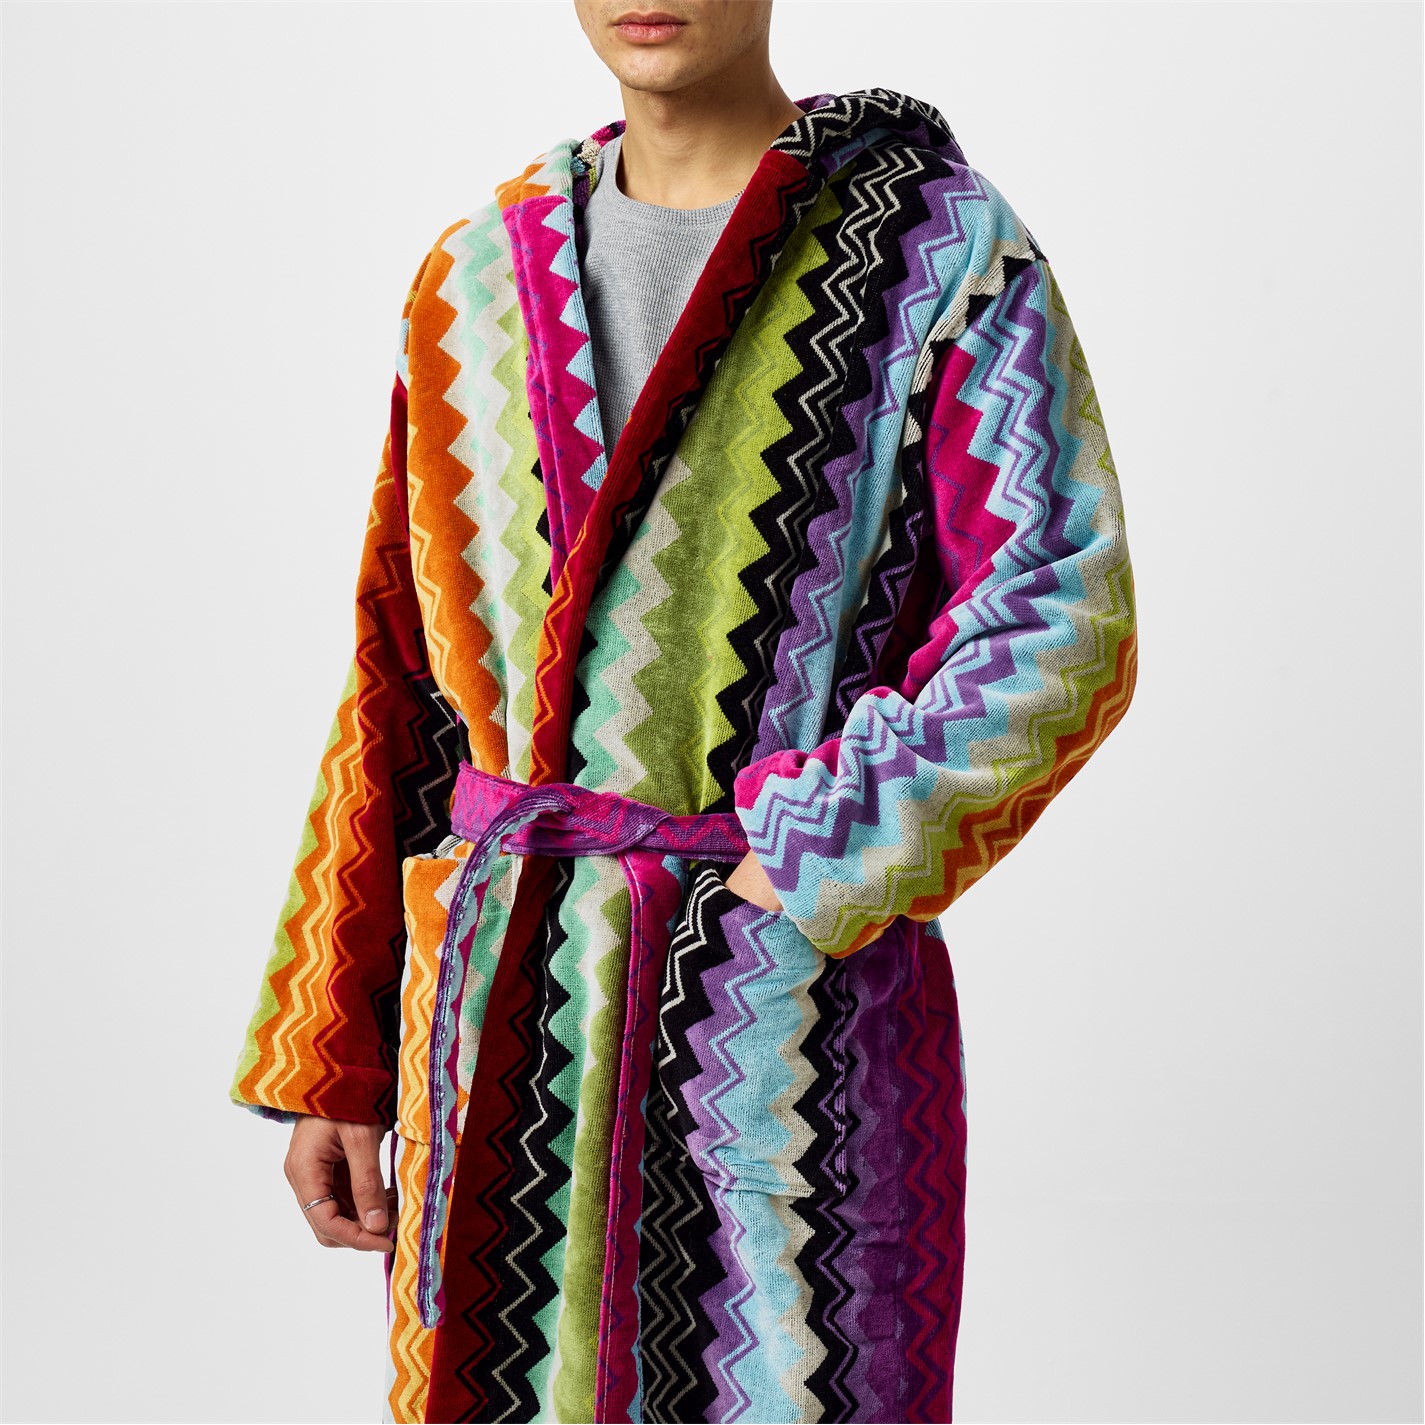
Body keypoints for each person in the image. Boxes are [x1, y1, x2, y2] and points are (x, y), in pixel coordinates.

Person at [231, 2, 1139, 1420]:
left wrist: (820, 843)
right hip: (505, 1015)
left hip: (781, 1015)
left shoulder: (936, 250)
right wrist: (335, 1046)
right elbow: (396, 669)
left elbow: (1060, 607)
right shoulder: (474, 276)